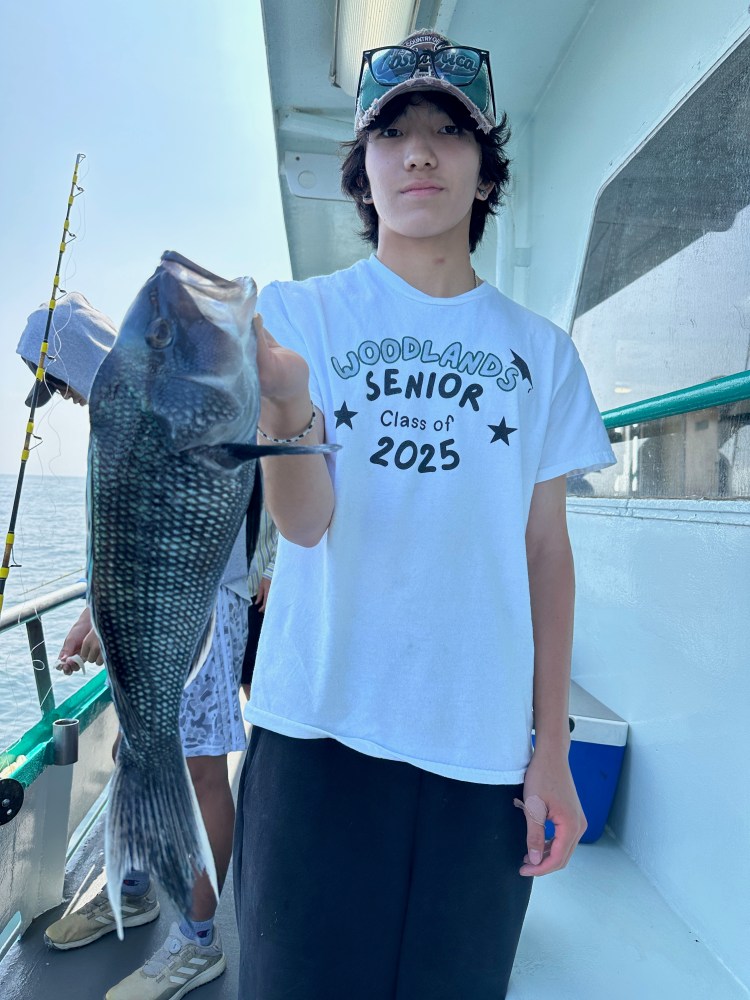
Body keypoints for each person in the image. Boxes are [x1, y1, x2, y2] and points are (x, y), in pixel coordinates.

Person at [233, 30, 616, 1000]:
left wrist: (552, 751)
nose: (419, 153)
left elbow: (545, 555)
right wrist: (283, 407)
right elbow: (307, 521)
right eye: (393, 132)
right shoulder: (301, 314)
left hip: (478, 750)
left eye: (449, 131)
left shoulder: (542, 353)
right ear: (361, 168)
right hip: (315, 731)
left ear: (486, 168)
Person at [17, 296, 248, 1000]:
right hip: (138, 611)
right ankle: (136, 886)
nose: (61, 395)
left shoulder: (166, 398)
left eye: (56, 378)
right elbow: (121, 534)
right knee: (132, 749)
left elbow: (207, 505)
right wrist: (97, 613)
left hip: (202, 601)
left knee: (204, 770)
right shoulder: (111, 422)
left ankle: (199, 941)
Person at [240, 505, 277, 700]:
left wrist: (273, 571)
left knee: (254, 678)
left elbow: (291, 522)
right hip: (217, 593)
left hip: (259, 590)